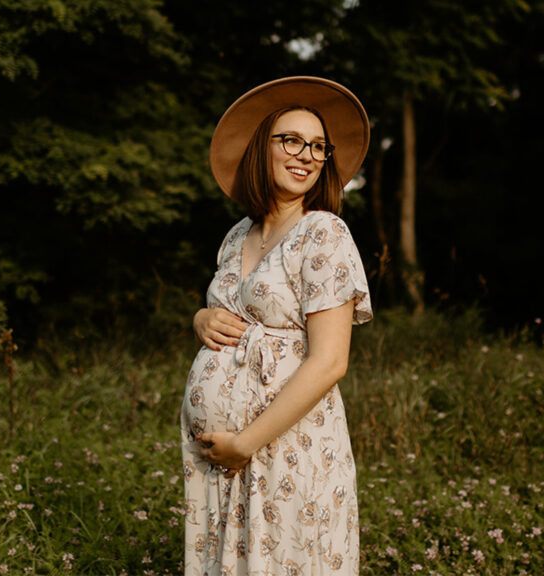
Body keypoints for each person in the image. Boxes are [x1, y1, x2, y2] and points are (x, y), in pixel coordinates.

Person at [180, 76, 373, 575]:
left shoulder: (323, 232)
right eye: (291, 140)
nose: (306, 154)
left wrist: (245, 442)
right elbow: (231, 310)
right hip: (224, 465)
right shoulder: (237, 234)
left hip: (286, 448)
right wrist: (201, 318)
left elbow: (330, 360)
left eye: (317, 146)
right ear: (258, 149)